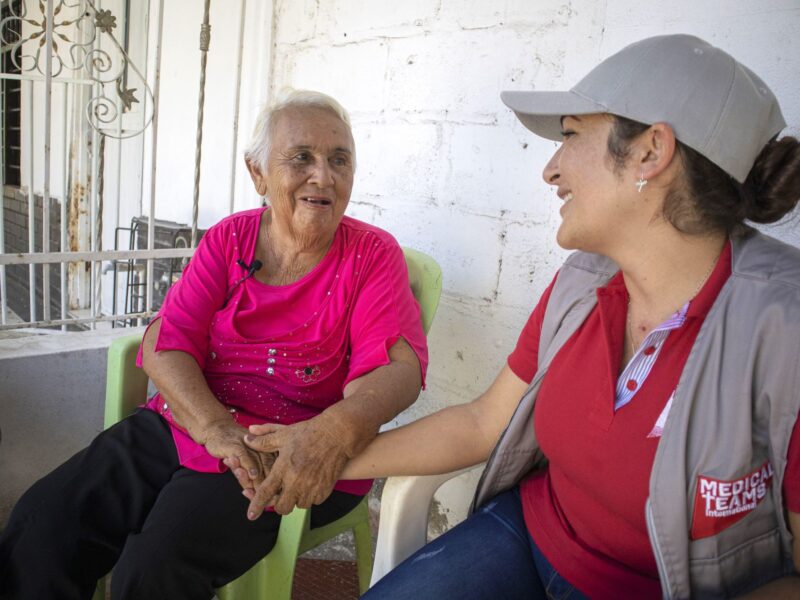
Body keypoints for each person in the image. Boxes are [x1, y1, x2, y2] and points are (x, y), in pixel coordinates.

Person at [247, 35, 800, 598]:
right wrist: (317, 456)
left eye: (570, 135)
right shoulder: (583, 281)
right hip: (529, 537)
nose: (551, 171)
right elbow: (483, 423)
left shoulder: (783, 331)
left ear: (650, 152)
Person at [0, 89, 428, 599]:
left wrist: (329, 432)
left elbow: (397, 369)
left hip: (284, 452)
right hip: (190, 420)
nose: (323, 176)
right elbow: (167, 342)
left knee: (155, 568)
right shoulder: (230, 240)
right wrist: (213, 427)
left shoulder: (371, 255)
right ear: (258, 174)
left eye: (340, 160)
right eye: (301, 158)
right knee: (43, 523)